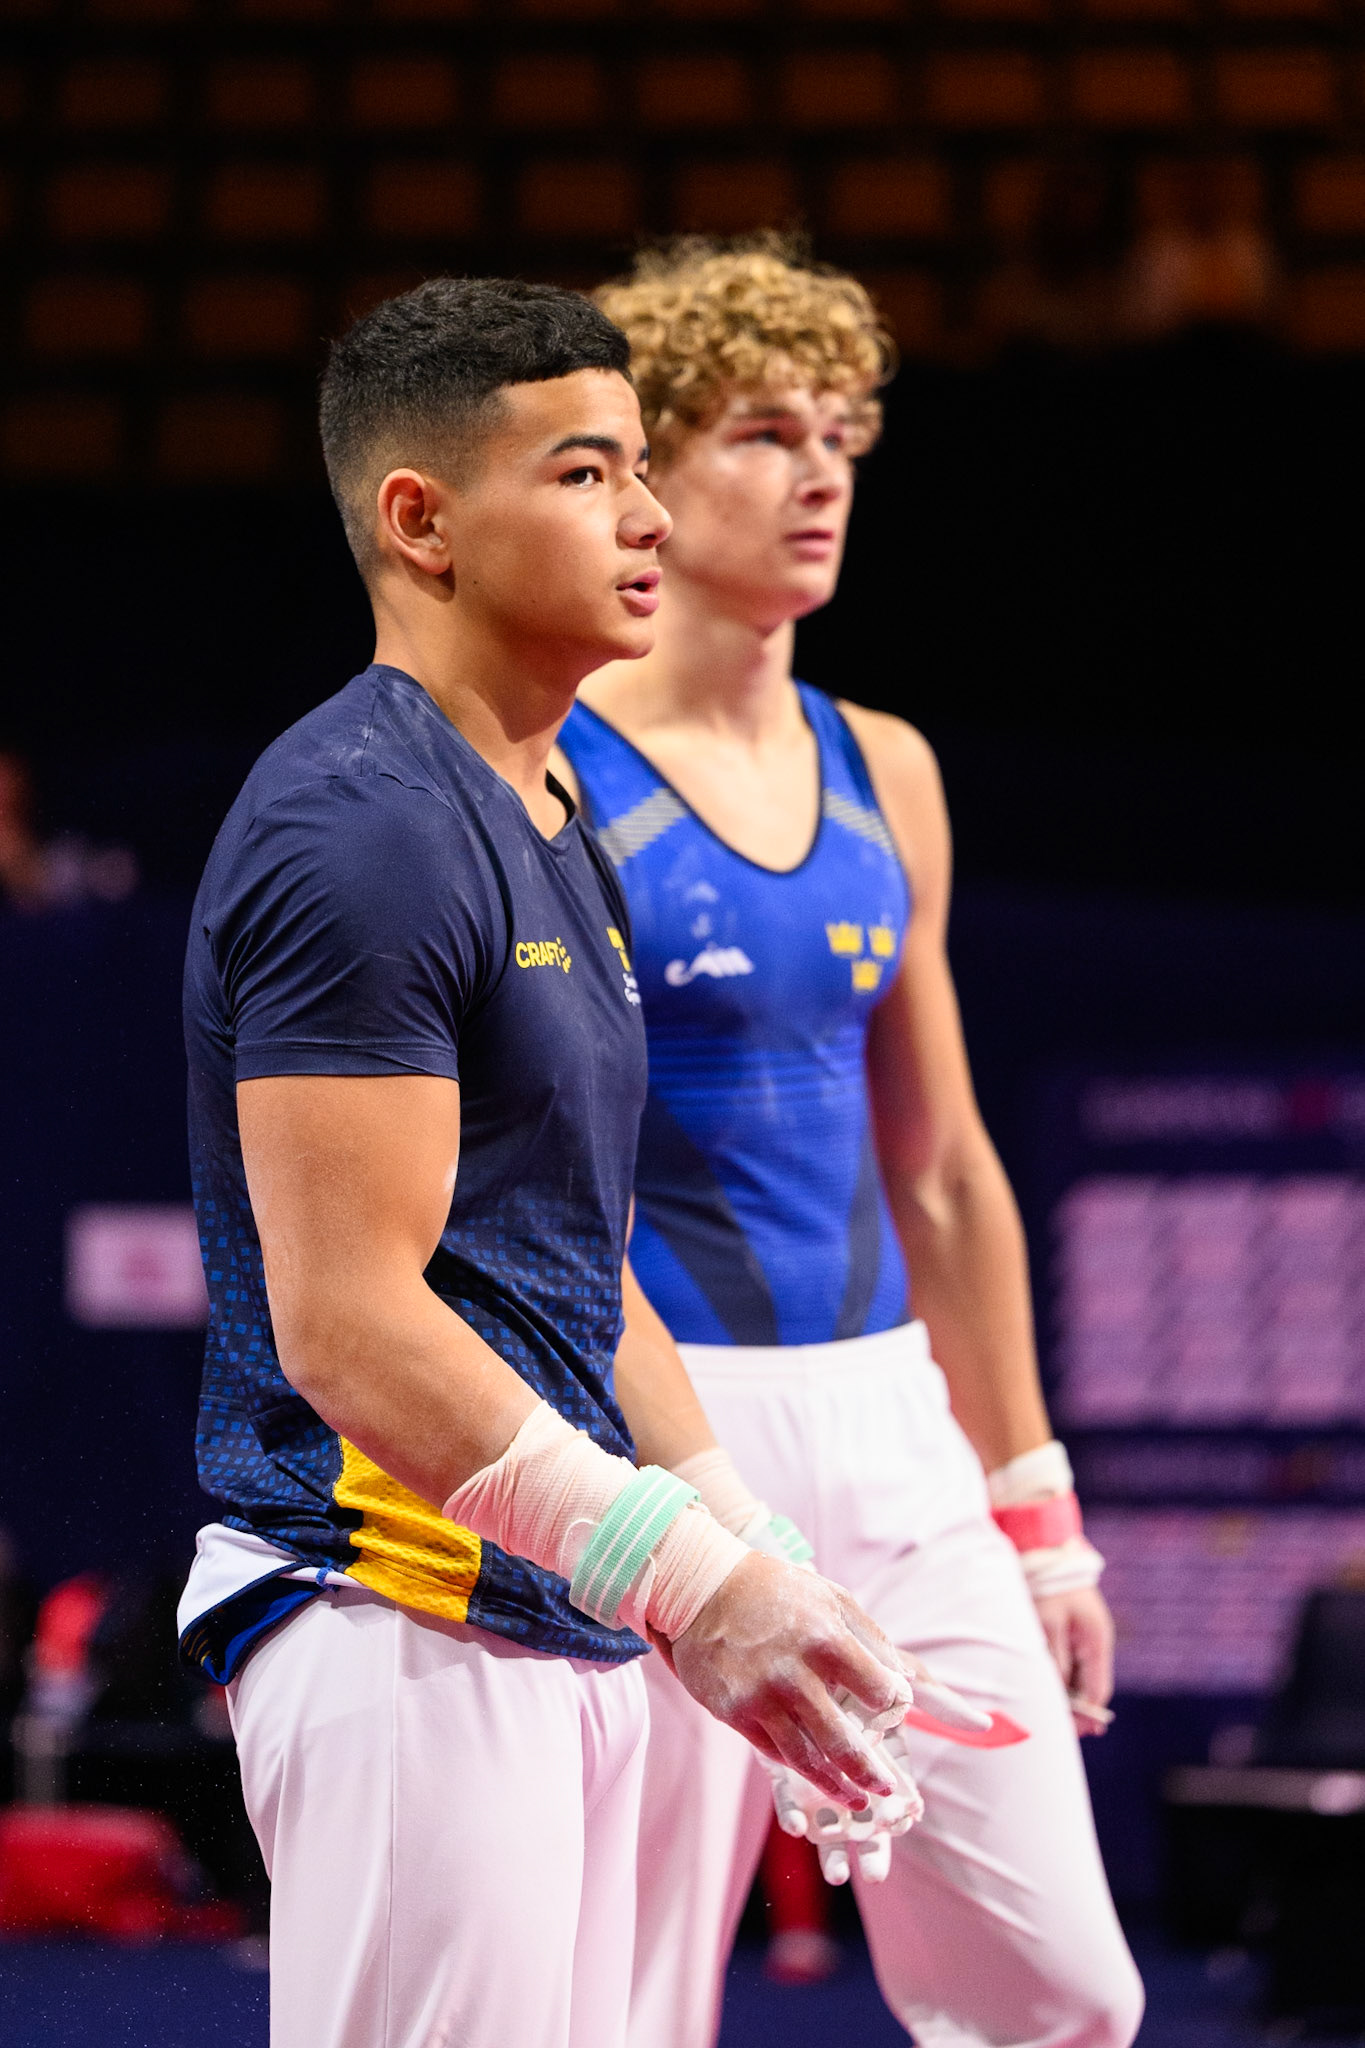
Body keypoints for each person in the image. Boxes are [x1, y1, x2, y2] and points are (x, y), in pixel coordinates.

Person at [174, 275, 918, 2048]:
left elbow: (578, 1273)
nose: (650, 515)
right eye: (586, 474)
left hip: (551, 1607)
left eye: (644, 465)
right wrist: (688, 1579)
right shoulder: (359, 825)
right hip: (393, 1611)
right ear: (419, 522)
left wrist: (752, 1557)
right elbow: (347, 1329)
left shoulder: (546, 802)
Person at [554, 239, 1147, 2048]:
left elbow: (947, 1167)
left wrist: (1034, 1511)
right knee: (625, 2013)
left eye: (842, 433)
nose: (817, 473)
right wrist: (676, 1502)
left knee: (1063, 1991)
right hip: (663, 1438)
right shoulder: (550, 765)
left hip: (897, 1435)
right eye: (757, 432)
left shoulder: (882, 761)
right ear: (643, 472)